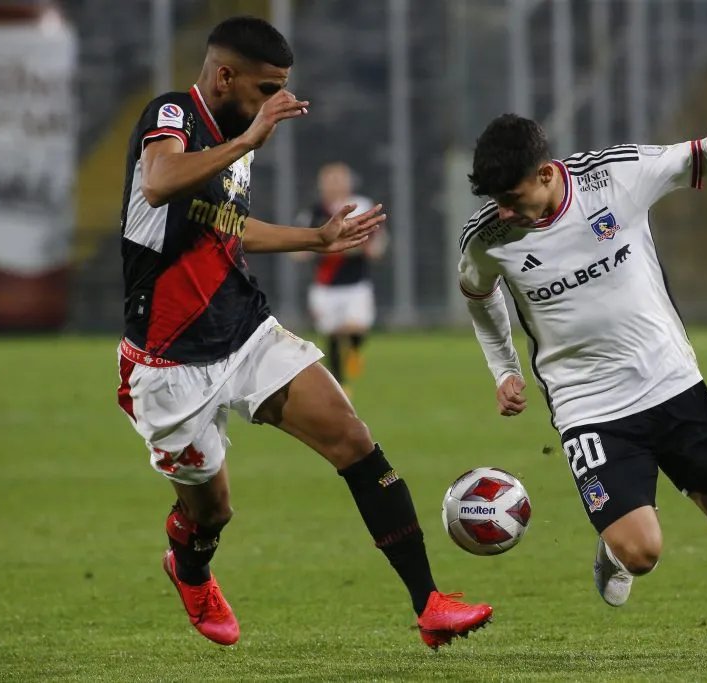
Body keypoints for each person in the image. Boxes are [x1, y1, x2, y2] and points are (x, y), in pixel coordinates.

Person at [116, 16, 491, 649]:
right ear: (225, 75)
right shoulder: (174, 114)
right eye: (267, 90)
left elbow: (227, 226)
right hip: (167, 360)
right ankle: (189, 566)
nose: (277, 104)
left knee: (353, 439)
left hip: (244, 332)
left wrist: (314, 239)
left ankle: (430, 604)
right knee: (211, 513)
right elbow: (157, 184)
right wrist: (250, 137)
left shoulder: (236, 138)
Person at [458, 80, 707, 662]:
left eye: (510, 197)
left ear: (544, 172)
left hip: (670, 381)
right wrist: (503, 368)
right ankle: (614, 549)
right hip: (588, 406)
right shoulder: (488, 237)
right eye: (495, 201)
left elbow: (706, 155)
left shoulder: (612, 177)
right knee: (640, 552)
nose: (503, 211)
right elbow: (479, 295)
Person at [293, 162, 388, 393]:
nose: (334, 184)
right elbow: (298, 246)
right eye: (329, 179)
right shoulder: (314, 212)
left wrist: (371, 248)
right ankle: (341, 384)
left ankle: (354, 350)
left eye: (339, 178)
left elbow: (378, 238)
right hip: (325, 287)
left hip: (356, 283)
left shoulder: (361, 206)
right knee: (333, 333)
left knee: (356, 328)